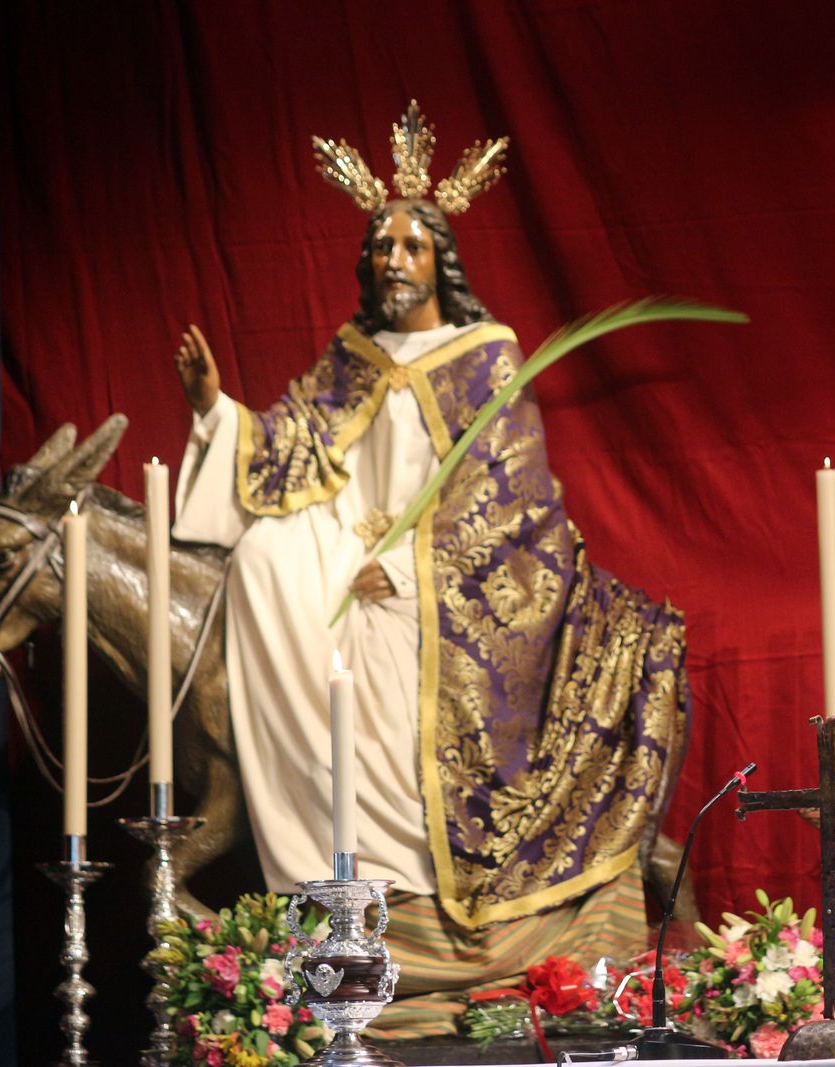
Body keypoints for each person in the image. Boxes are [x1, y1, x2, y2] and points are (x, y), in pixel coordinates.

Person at [170, 156, 688, 1035]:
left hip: (459, 582)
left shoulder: (486, 357)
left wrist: (410, 566)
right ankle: (337, 869)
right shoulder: (352, 356)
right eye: (379, 245)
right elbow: (291, 451)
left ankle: (416, 877)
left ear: (440, 259)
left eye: (410, 243)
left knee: (382, 631)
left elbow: (513, 502)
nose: (392, 258)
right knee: (262, 555)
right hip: (358, 555)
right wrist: (219, 411)